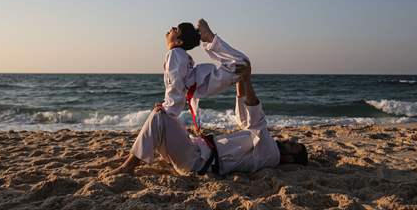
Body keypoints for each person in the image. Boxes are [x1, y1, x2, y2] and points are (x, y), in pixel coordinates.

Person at [113, 63, 308, 175]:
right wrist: (239, 79)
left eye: (293, 146)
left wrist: (247, 79)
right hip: (194, 153)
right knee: (162, 114)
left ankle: (128, 166)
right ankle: (136, 155)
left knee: (159, 116)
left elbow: (256, 116)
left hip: (195, 162)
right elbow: (244, 116)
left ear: (290, 159)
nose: (289, 140)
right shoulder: (260, 146)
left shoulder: (270, 154)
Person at [161, 19, 250, 129]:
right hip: (206, 81)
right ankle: (244, 120)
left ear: (179, 42)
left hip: (206, 82)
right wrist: (166, 106)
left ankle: (210, 37)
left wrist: (169, 109)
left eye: (176, 29)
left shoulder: (174, 53)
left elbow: (174, 83)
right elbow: (175, 83)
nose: (173, 28)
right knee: (242, 64)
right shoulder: (178, 53)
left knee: (242, 64)